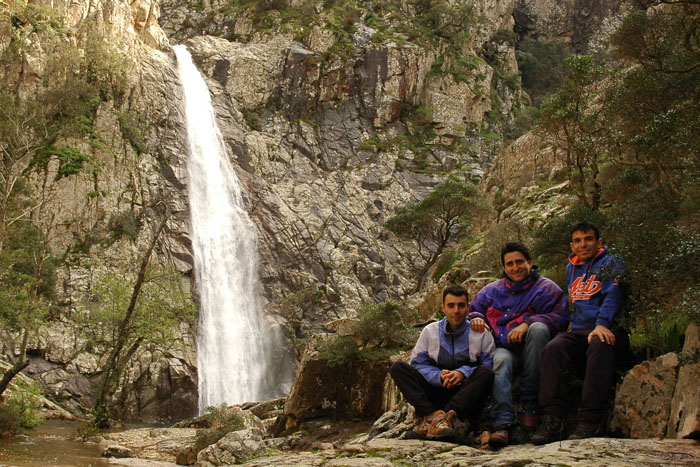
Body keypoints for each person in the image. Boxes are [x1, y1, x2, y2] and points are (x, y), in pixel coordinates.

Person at [532, 221, 628, 444]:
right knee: (554, 347)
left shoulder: (612, 262)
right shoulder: (570, 268)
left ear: (599, 242)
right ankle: (553, 419)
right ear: (572, 245)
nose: (583, 244)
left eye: (588, 239)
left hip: (610, 330)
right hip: (580, 331)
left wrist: (603, 324)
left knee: (598, 344)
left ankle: (590, 420)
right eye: (578, 240)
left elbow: (613, 294)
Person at [468, 242, 569, 448]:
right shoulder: (491, 291)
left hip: (536, 347)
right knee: (500, 361)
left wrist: (527, 323)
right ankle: (502, 422)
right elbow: (474, 310)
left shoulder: (547, 288)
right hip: (505, 347)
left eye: (519, 262)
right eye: (510, 264)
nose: (515, 268)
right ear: (504, 268)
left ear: (529, 263)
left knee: (539, 328)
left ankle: (529, 400)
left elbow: (561, 317)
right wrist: (477, 318)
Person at [390, 285, 495, 440]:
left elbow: (488, 365)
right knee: (398, 368)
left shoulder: (481, 334)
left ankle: (446, 418)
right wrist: (439, 376)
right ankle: (432, 416)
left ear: (468, 307)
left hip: (465, 396)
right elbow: (418, 364)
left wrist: (462, 373)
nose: (456, 311)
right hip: (436, 390)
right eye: (451, 306)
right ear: (443, 308)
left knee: (487, 373)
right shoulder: (429, 331)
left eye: (461, 305)